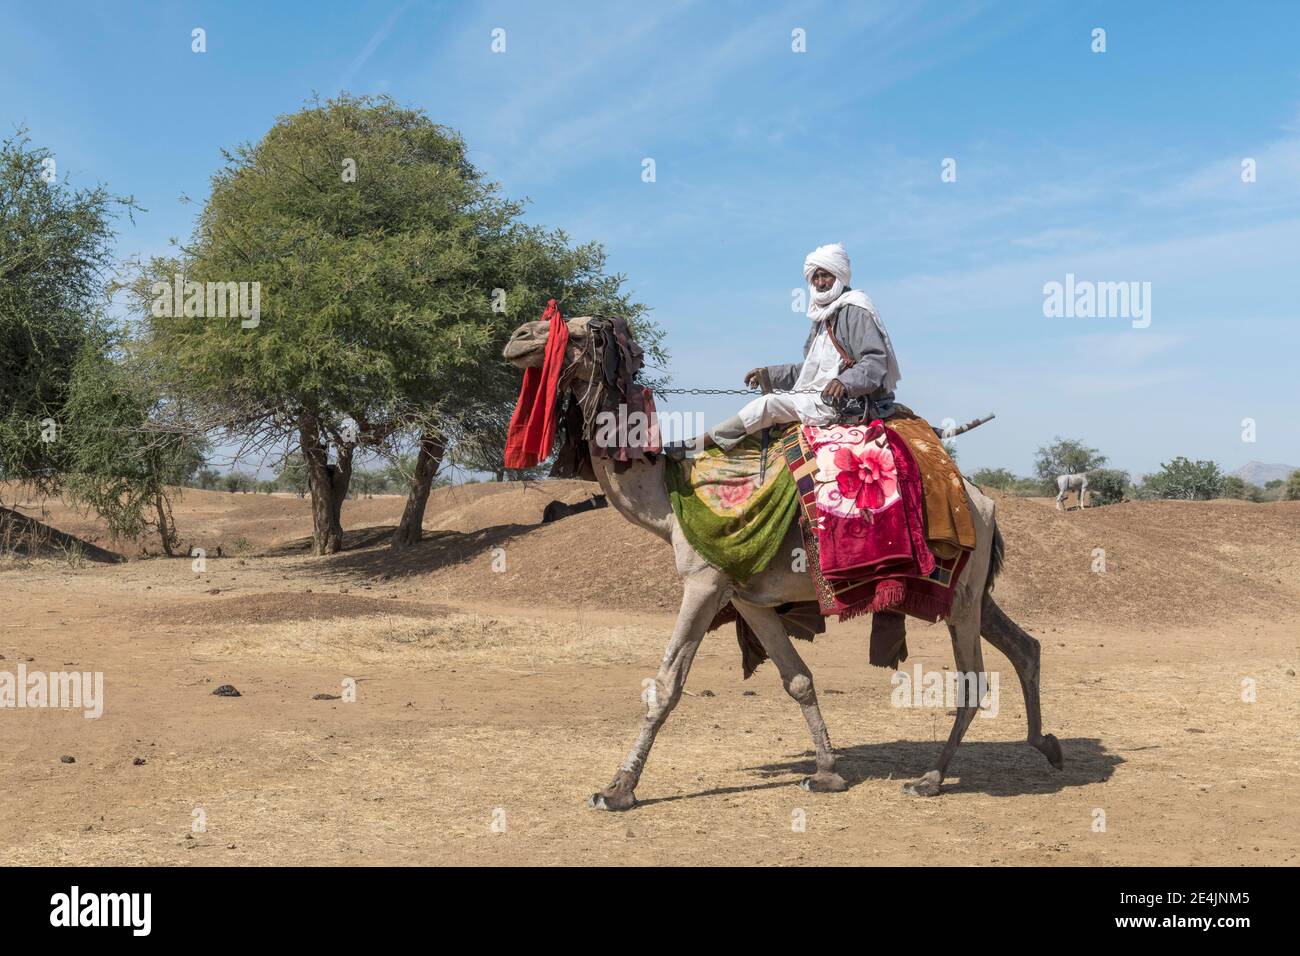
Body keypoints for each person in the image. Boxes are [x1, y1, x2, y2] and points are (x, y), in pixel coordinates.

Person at [694, 242, 900, 452]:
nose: (820, 283)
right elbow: (811, 370)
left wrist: (844, 382)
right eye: (815, 277)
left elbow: (874, 361)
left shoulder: (856, 311)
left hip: (848, 403)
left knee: (768, 405)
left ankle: (701, 442)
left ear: (839, 275)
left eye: (825, 275)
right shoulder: (821, 317)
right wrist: (768, 375)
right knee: (767, 404)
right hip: (818, 396)